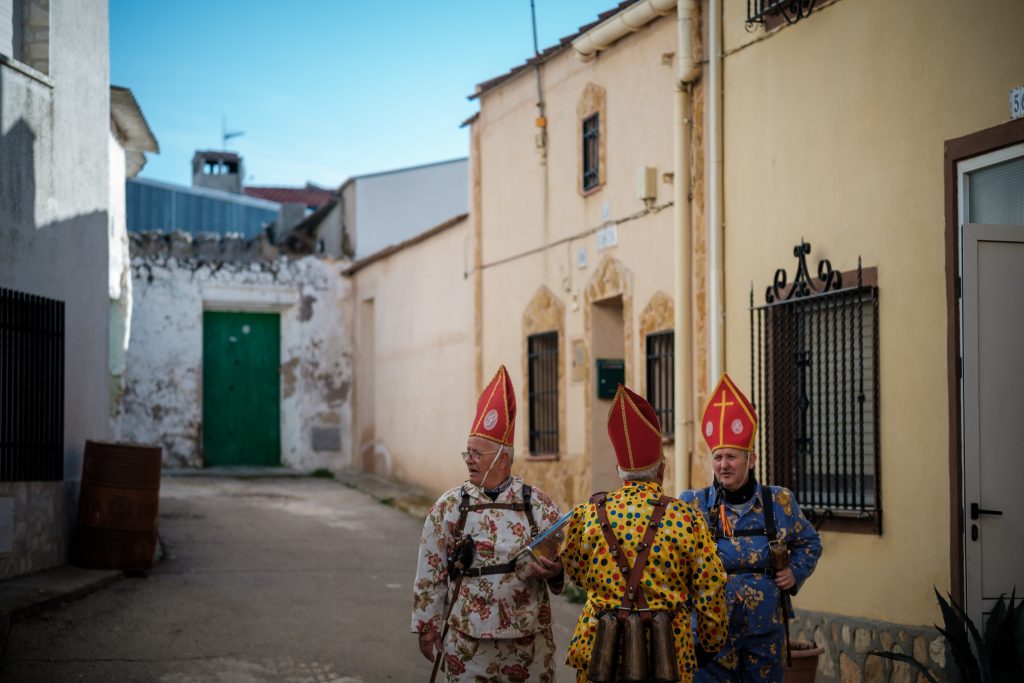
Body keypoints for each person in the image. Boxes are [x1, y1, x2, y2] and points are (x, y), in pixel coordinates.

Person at [560, 384, 729, 683]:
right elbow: (710, 587)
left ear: (619, 469)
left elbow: (575, 571)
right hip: (667, 654)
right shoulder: (686, 516)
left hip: (599, 650)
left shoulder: (588, 513)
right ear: (661, 470)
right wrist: (711, 642)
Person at [411, 365, 564, 683]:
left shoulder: (537, 505)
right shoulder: (449, 507)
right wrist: (427, 626)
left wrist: (557, 570)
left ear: (503, 459)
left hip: (529, 647)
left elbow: (569, 562)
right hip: (468, 645)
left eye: (477, 453)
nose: (468, 459)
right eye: (467, 453)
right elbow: (430, 572)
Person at [680, 373, 822, 682]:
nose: (724, 465)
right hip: (708, 636)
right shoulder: (693, 504)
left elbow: (810, 543)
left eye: (732, 456)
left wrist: (795, 572)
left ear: (751, 459)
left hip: (765, 633)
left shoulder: (780, 501)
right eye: (718, 457)